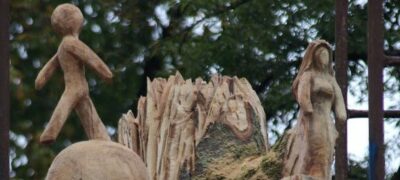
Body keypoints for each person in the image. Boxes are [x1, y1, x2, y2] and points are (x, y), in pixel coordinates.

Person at [35, 3, 112, 144]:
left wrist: (40, 81)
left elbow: (48, 68)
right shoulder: (71, 43)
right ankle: (49, 133)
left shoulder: (62, 46)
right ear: (76, 23)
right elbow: (91, 58)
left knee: (89, 115)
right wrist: (105, 73)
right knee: (64, 106)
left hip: (81, 88)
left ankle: (103, 139)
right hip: (75, 87)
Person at [284, 40, 346, 179]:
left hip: (327, 119)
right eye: (321, 54)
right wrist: (308, 108)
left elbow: (339, 98)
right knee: (315, 148)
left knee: (328, 148)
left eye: (326, 54)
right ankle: (310, 173)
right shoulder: (308, 75)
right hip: (313, 118)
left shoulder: (330, 79)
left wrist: (341, 114)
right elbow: (303, 95)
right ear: (314, 56)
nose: (324, 57)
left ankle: (323, 175)